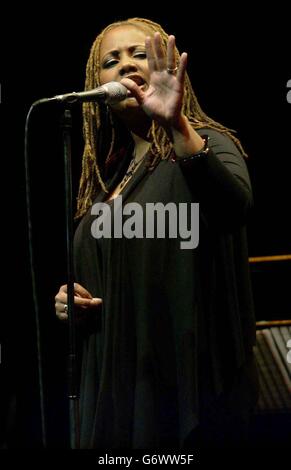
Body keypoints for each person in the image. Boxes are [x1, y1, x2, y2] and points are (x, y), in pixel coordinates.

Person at [55, 17, 259, 449]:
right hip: (115, 384)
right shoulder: (107, 182)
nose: (126, 66)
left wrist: (177, 125)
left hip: (182, 387)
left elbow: (234, 207)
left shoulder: (204, 141)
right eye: (111, 61)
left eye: (140, 54)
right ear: (98, 86)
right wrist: (72, 301)